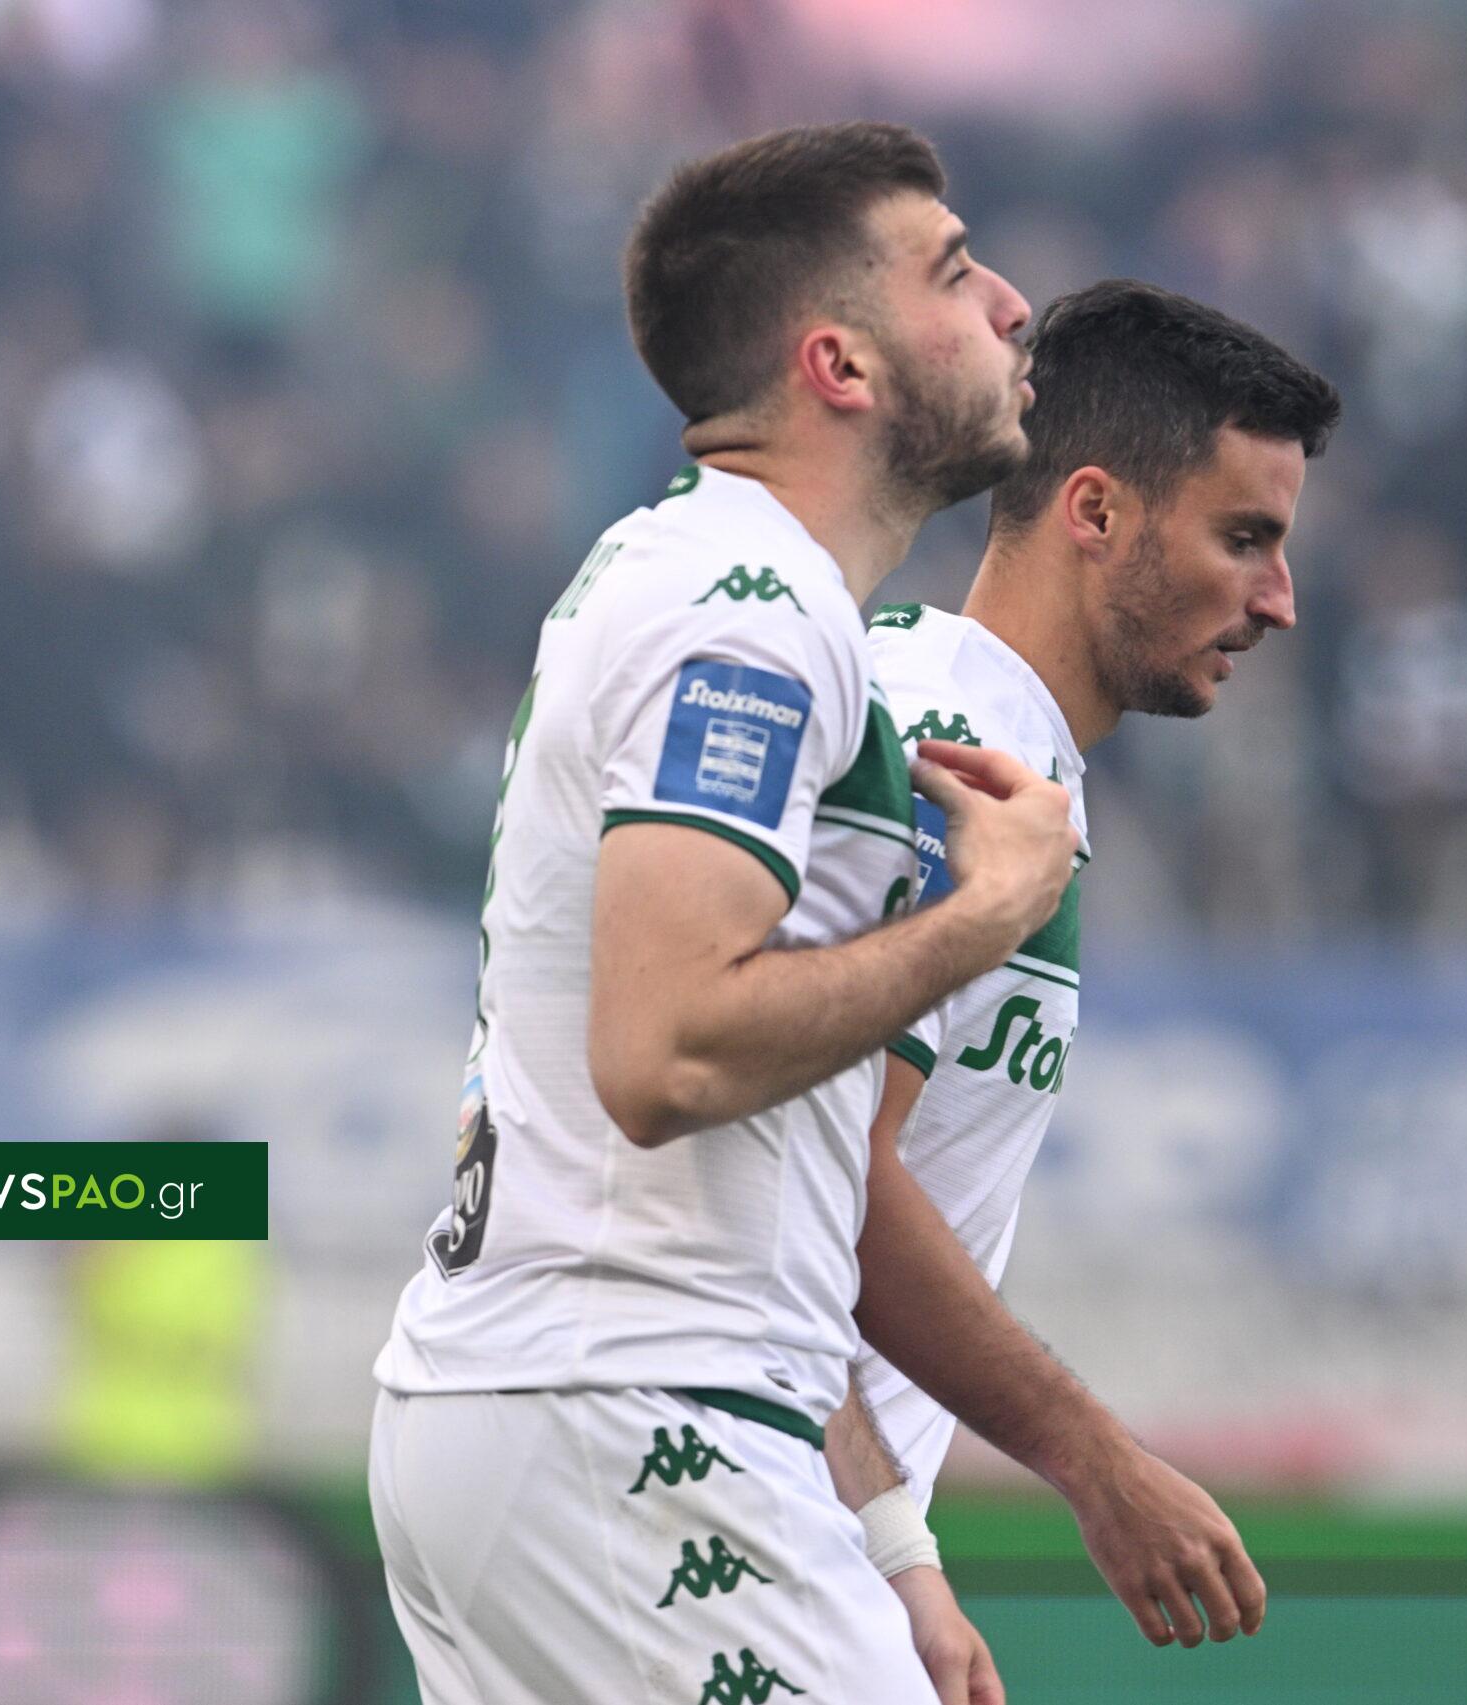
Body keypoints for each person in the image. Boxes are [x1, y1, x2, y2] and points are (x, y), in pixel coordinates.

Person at [364, 122, 1081, 1704]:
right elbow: (668, 1050)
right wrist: (988, 910)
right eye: (955, 273)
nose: (1013, 305)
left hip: (585, 1406)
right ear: (841, 362)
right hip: (632, 1413)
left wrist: (892, 1545)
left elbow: (767, 1193)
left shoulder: (712, 579)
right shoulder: (746, 615)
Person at [827, 279, 1342, 1700]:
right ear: (1097, 511)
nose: (1280, 601)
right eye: (1245, 538)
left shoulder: (973, 732)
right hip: (723, 1521)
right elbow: (820, 1183)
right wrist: (1098, 1464)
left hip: (791, 1515)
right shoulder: (950, 762)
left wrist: (896, 1556)